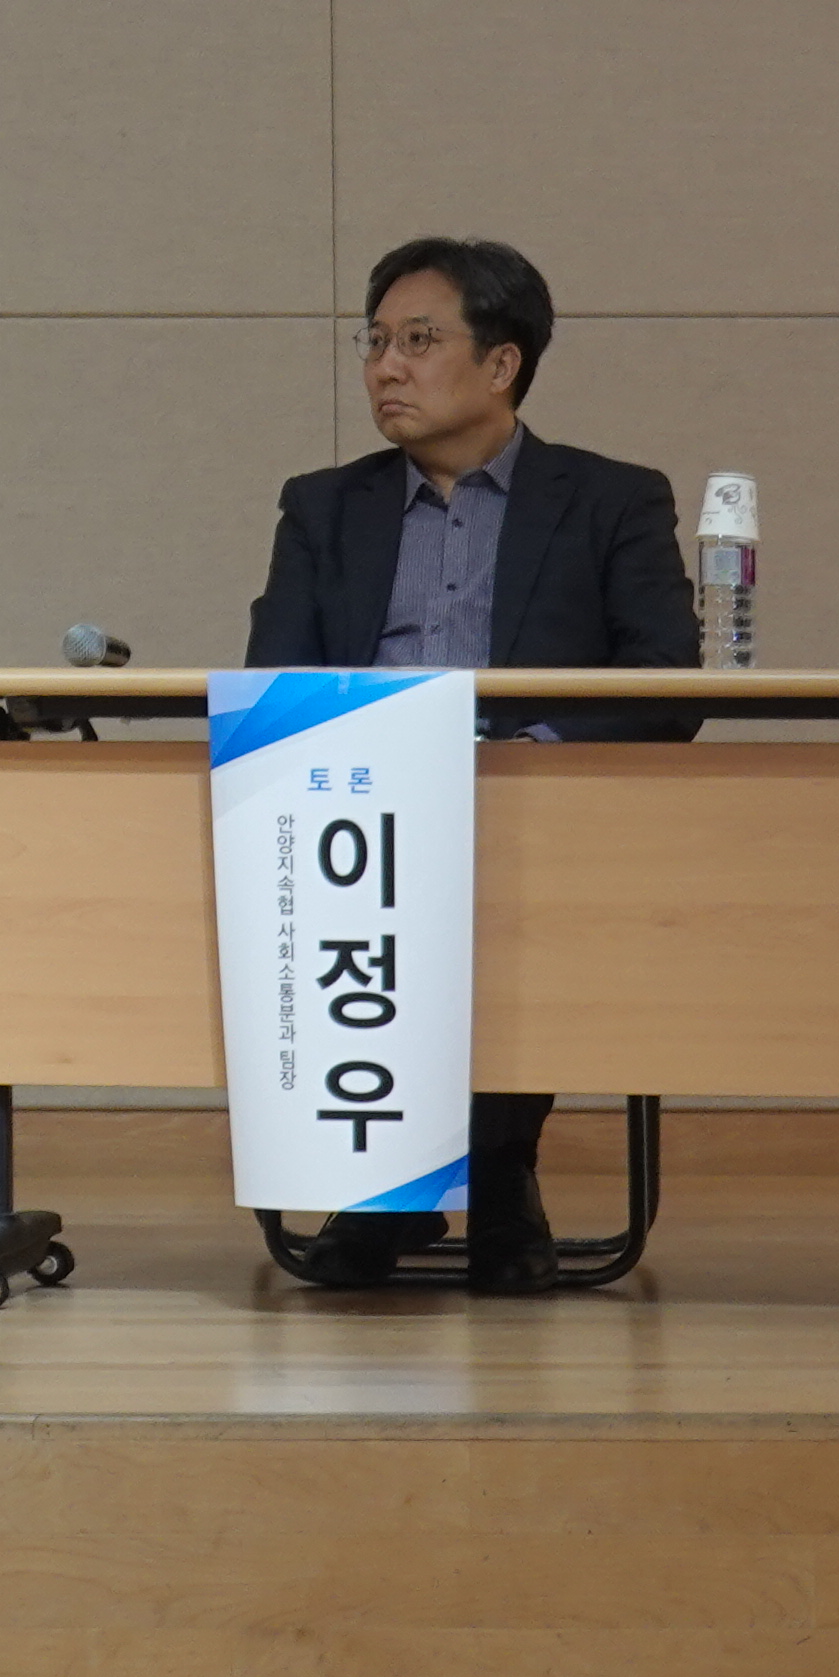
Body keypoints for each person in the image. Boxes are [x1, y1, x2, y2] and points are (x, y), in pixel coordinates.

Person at [234, 236, 698, 1295]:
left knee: (509, 882)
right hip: (361, 811)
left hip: (542, 814)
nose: (385, 368)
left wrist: (532, 759)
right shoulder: (323, 505)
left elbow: (667, 681)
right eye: (375, 343)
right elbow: (278, 679)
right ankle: (401, 1179)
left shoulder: (612, 499)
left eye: (418, 341)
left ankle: (489, 1170)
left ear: (501, 364)